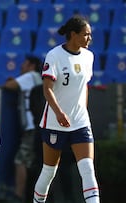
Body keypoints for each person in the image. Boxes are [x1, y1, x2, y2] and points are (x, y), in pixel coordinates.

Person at [33, 15, 100, 203]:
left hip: (79, 122)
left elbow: (84, 86)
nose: (89, 39)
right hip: (55, 122)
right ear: (73, 34)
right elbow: (47, 89)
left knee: (87, 169)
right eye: (86, 34)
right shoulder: (54, 56)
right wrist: (59, 113)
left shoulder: (89, 57)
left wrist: (82, 112)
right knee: (48, 171)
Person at [2, 55, 42, 202]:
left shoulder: (31, 76)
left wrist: (10, 81)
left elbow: (10, 86)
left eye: (24, 64)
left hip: (31, 127)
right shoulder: (40, 78)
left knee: (21, 161)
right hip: (38, 126)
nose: (22, 67)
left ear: (31, 66)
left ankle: (19, 196)